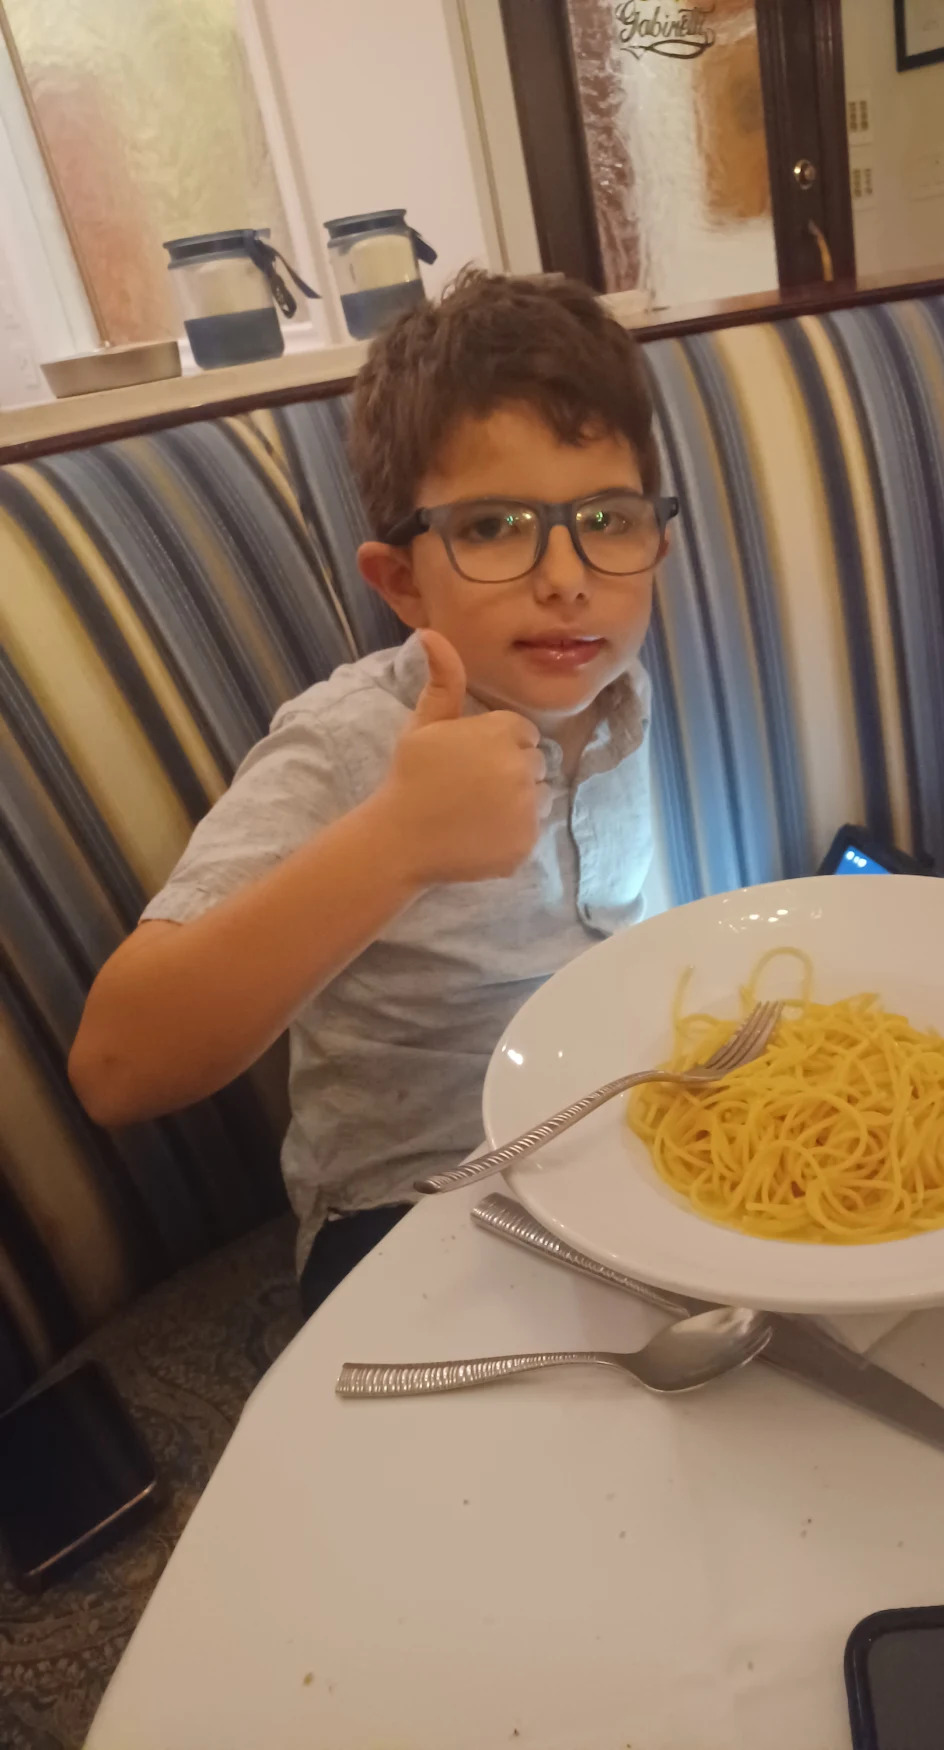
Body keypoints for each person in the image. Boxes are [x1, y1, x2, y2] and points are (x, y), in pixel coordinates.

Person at [69, 269, 675, 1316]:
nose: (567, 576)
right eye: (494, 526)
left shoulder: (619, 692)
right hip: (411, 1213)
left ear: (656, 543)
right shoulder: (351, 744)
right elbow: (119, 1064)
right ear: (401, 582)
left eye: (607, 519)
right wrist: (398, 842)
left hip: (615, 1153)